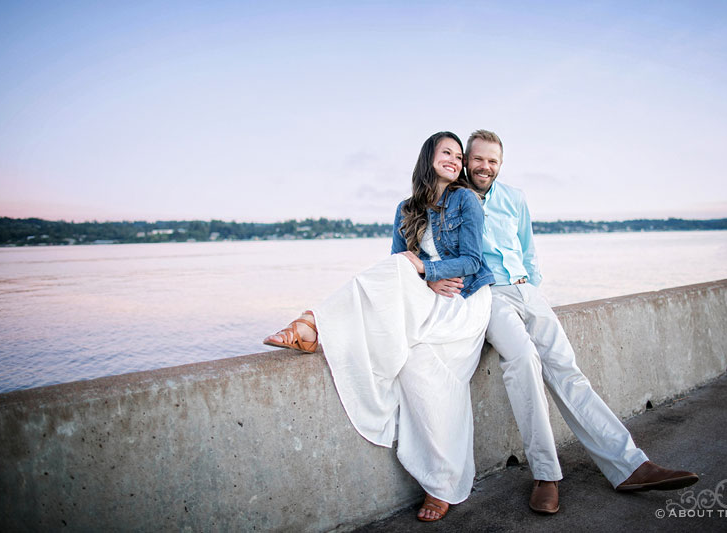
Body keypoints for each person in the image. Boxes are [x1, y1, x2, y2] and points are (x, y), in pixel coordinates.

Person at [442, 129, 699, 514]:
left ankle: (631, 465)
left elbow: (528, 248)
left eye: (493, 161)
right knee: (523, 363)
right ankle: (546, 475)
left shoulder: (514, 198)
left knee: (568, 371)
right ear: (466, 161)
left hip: (526, 290)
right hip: (488, 294)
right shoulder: (454, 201)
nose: (485, 167)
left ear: (501, 164)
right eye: (478, 159)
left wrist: (532, 285)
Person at [263, 131, 495, 522]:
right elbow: (393, 267)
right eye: (446, 152)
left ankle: (312, 324)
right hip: (429, 296)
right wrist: (424, 278)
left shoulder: (464, 199)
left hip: (464, 302)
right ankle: (439, 481)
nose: (455, 160)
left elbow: (472, 261)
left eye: (459, 156)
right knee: (411, 360)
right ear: (429, 158)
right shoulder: (406, 208)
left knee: (416, 359)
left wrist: (428, 268)